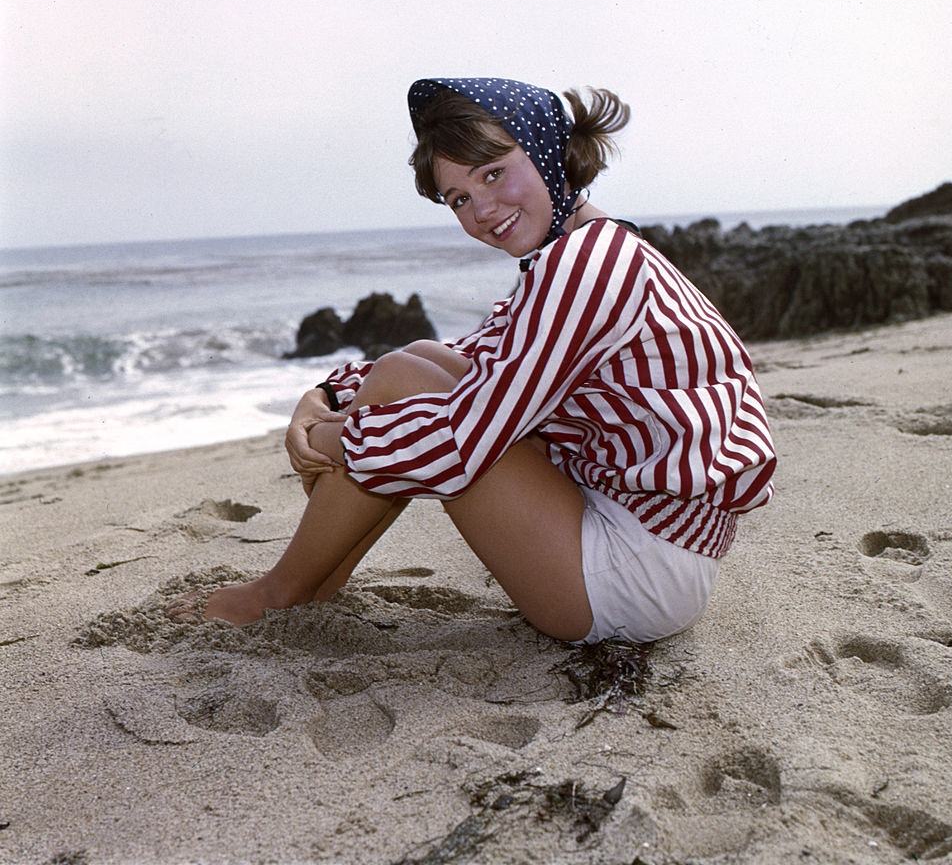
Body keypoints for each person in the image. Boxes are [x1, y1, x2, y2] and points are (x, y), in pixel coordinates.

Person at [168, 77, 776, 644]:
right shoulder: (584, 249)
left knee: (409, 400)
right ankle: (312, 583)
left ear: (545, 151)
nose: (480, 211)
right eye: (458, 197)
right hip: (641, 536)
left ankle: (282, 592)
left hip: (633, 575)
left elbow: (465, 444)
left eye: (493, 174)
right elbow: (478, 352)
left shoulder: (583, 269)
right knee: (410, 367)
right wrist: (327, 394)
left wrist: (335, 438)